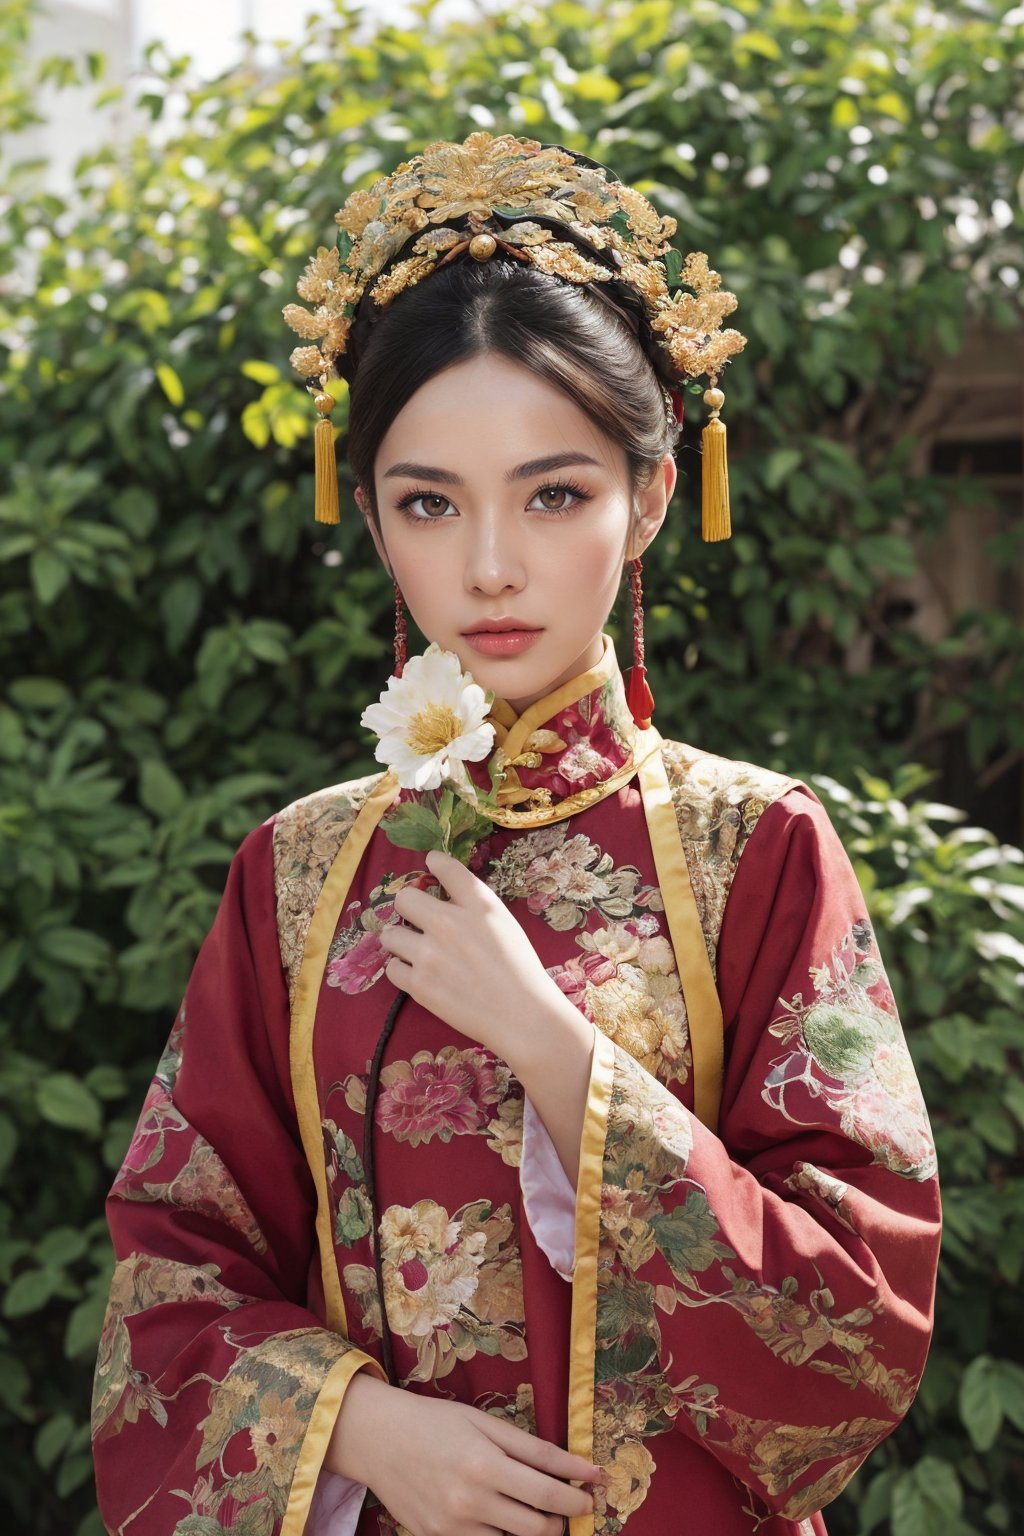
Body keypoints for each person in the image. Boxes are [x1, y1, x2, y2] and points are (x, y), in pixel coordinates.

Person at [91, 133, 941, 1536]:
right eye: (430, 503)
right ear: (368, 518)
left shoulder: (757, 850)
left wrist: (555, 1051)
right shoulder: (299, 872)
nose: (490, 565)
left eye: (554, 494)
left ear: (651, 497)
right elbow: (169, 1279)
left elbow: (856, 1328)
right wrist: (365, 1431)